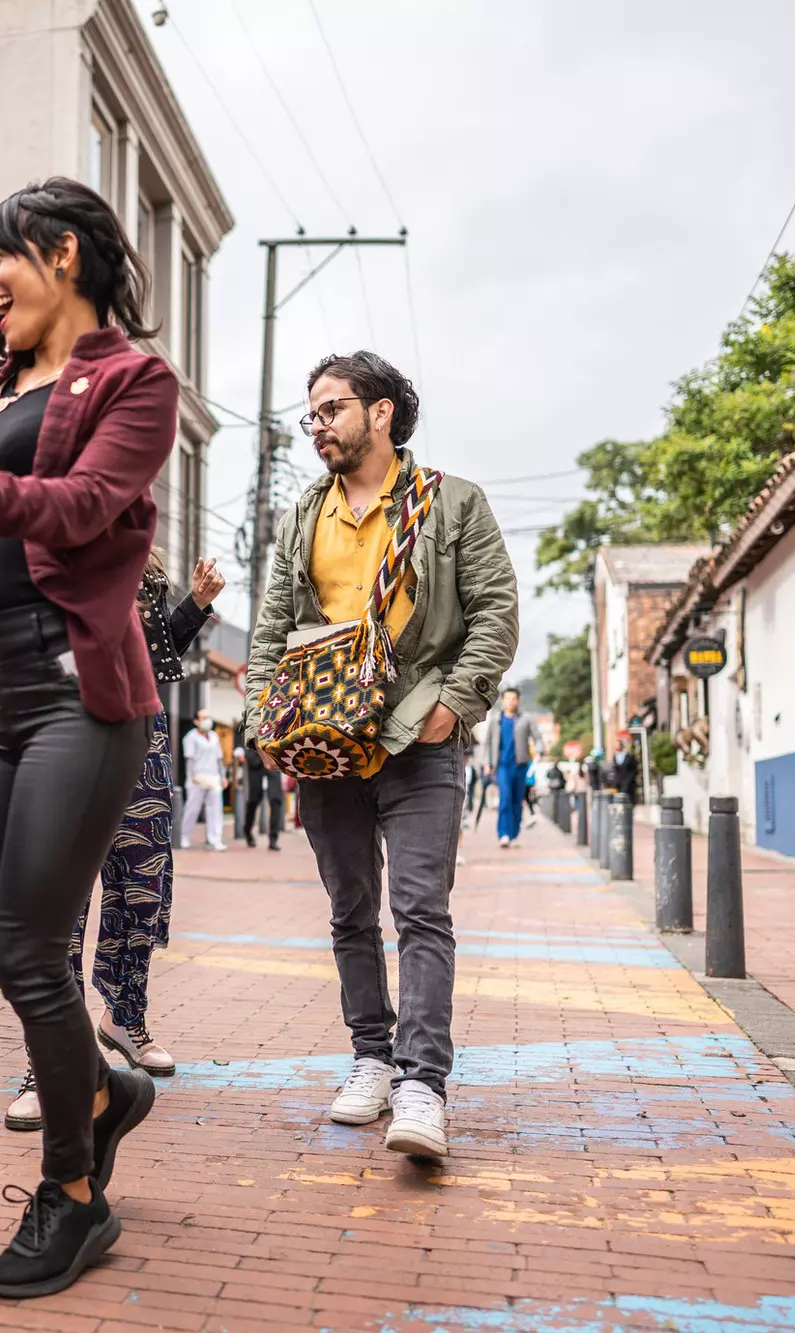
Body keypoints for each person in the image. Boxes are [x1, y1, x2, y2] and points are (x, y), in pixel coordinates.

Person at [0, 176, 171, 1299]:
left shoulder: (134, 383)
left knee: (28, 948)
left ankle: (72, 1193)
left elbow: (79, 506)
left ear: (60, 254)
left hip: (79, 693)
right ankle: (108, 1088)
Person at [243, 350, 517, 1161]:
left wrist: (454, 702)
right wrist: (266, 717)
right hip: (326, 744)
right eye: (312, 414)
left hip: (418, 741)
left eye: (332, 409)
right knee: (349, 910)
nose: (318, 426)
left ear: (383, 412)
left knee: (421, 909)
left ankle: (422, 1082)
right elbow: (269, 630)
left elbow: (496, 611)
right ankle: (370, 1054)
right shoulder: (304, 515)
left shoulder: (451, 504)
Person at [6, 554, 220, 1129]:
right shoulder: (48, 557)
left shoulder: (141, 569)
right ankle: (48, 1058)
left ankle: (125, 1017)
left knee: (140, 891)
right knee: (61, 912)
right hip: (67, 736)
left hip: (140, 739)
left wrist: (194, 605)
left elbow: (155, 656)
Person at [482, 687, 535, 848]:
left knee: (517, 800)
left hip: (520, 766)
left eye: (514, 699)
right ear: (502, 701)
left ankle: (513, 833)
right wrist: (487, 763)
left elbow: (537, 736)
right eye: (507, 698)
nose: (510, 702)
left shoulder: (526, 719)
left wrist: (540, 750)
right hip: (502, 766)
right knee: (505, 798)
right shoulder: (496, 720)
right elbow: (488, 743)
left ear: (518, 701)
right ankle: (503, 834)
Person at [179, 709, 228, 851]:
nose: (207, 720)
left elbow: (219, 759)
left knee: (215, 809)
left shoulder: (214, 736)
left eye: (208, 717)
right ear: (196, 721)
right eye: (204, 718)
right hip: (197, 777)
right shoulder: (190, 737)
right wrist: (192, 776)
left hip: (213, 777)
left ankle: (215, 839)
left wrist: (223, 776)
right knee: (192, 809)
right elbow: (189, 759)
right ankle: (184, 836)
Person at [243, 735, 284, 851]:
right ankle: (247, 830)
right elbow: (241, 729)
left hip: (272, 759)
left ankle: (273, 839)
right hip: (255, 760)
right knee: (253, 800)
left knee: (276, 799)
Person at [610, 737, 640, 803]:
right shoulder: (615, 756)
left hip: (628, 782)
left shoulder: (628, 756)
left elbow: (634, 769)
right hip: (618, 783)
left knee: (627, 800)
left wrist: (630, 779)